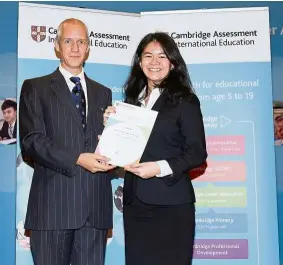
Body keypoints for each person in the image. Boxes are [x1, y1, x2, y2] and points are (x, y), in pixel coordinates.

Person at [103, 32, 208, 265]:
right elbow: (122, 151)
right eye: (148, 56)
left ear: (172, 62)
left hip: (171, 206)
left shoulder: (185, 101)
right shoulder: (131, 102)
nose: (154, 62)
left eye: (162, 56)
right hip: (135, 205)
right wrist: (110, 126)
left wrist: (159, 168)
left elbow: (197, 152)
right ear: (139, 63)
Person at [19, 18, 115, 265]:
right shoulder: (35, 88)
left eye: (81, 41)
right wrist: (77, 159)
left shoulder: (103, 93)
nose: (75, 48)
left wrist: (114, 130)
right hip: (53, 209)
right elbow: (31, 142)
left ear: (88, 47)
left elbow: (105, 145)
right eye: (68, 41)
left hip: (94, 212)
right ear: (57, 46)